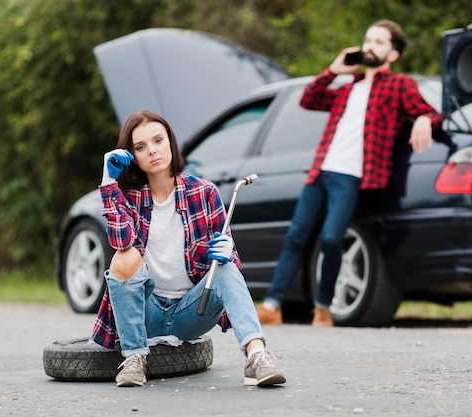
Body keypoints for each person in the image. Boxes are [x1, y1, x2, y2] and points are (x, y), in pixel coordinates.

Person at [255, 19, 442, 327]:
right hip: (320, 173)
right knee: (296, 237)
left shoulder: (399, 85)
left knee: (331, 239)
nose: (370, 46)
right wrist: (333, 70)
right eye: (368, 40)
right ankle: (273, 306)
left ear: (393, 54)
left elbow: (431, 113)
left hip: (352, 177)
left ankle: (323, 308)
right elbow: (308, 99)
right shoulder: (348, 87)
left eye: (379, 42)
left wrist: (424, 119)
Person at [90, 109, 286, 387]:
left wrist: (225, 251)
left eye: (158, 141)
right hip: (147, 313)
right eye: (140, 147)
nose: (152, 151)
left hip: (192, 311)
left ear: (171, 142)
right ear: (132, 156)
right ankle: (134, 358)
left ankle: (257, 355)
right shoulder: (129, 196)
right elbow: (121, 242)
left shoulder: (204, 192)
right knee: (124, 257)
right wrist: (109, 183)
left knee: (226, 267)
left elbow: (231, 268)